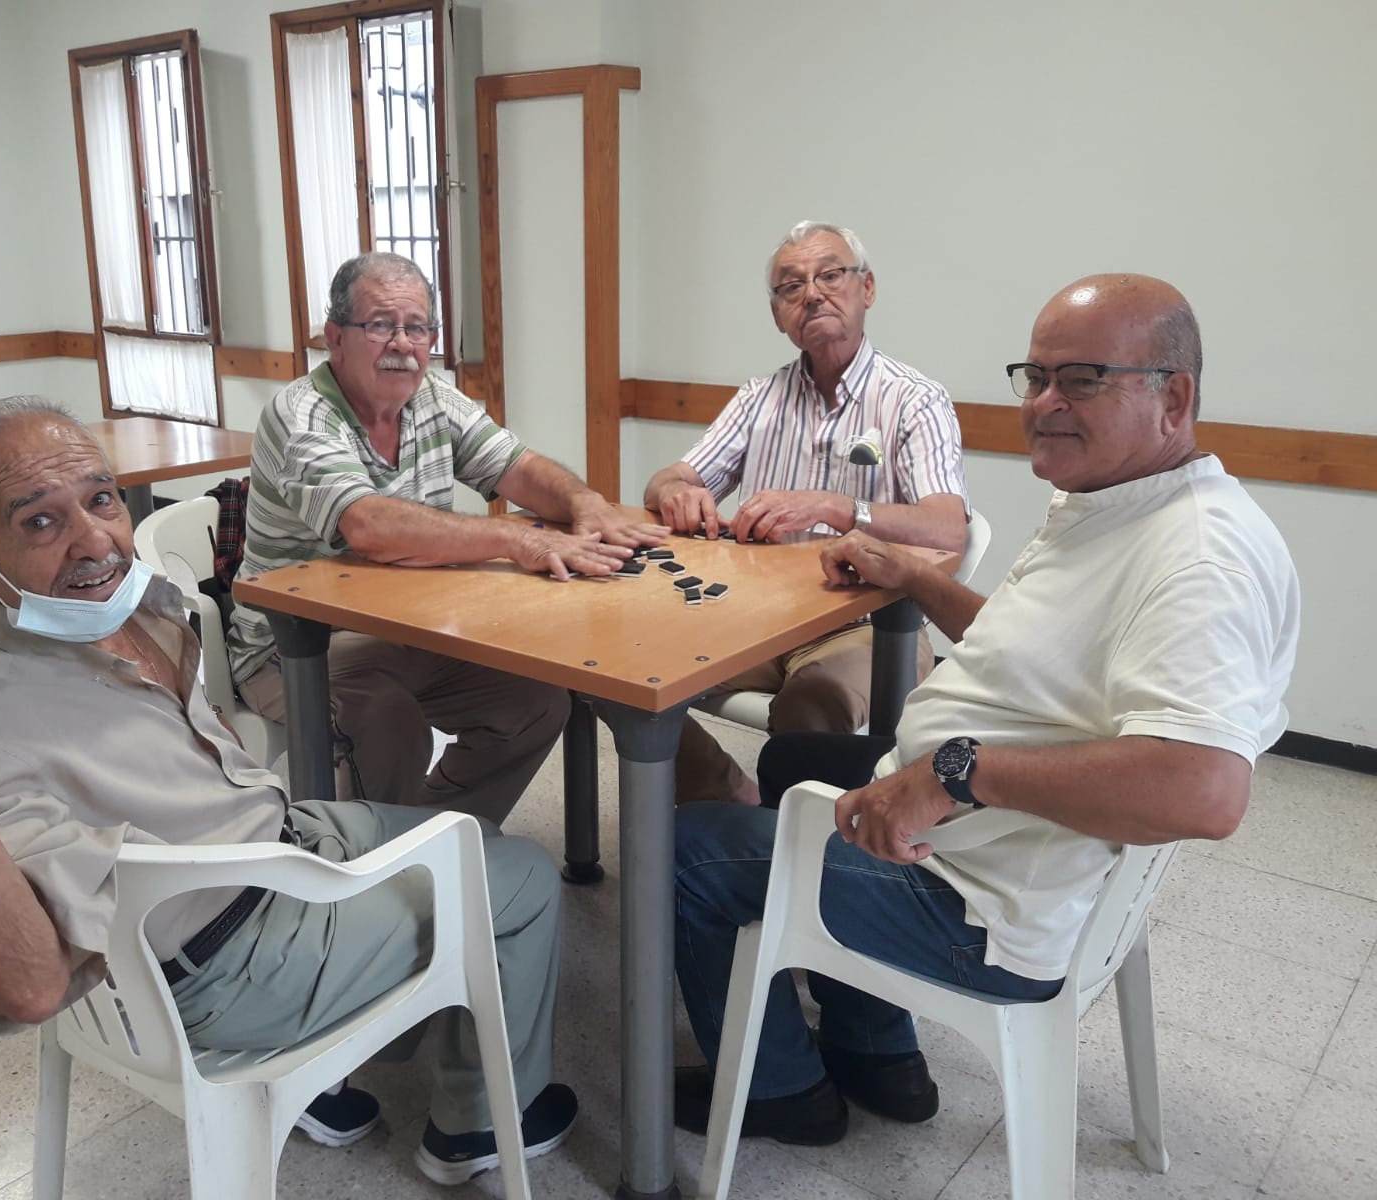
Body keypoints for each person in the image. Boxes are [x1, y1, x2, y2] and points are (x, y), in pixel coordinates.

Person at [0, 398, 577, 1186]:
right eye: (39, 522)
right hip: (227, 952)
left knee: (467, 833)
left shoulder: (127, 606)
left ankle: (360, 1046)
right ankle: (470, 1127)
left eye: (98, 500)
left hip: (275, 840)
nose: (95, 541)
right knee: (526, 877)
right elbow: (24, 989)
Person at [671, 275, 1300, 1145]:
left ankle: (780, 1094)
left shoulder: (1199, 561)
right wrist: (919, 578)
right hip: (1001, 846)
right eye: (1035, 376)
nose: (1044, 404)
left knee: (680, 851)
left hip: (976, 900)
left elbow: (1203, 792)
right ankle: (875, 1053)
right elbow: (1027, 651)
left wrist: (955, 774)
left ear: (1175, 397)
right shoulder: (1114, 502)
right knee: (793, 764)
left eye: (1082, 379)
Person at [229, 251, 666, 822]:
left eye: (417, 328)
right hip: (294, 646)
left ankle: (433, 840)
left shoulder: (432, 397)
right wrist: (515, 541)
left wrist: (585, 502)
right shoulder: (301, 414)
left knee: (536, 701)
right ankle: (380, 877)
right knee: (387, 723)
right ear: (335, 338)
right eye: (381, 325)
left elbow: (517, 466)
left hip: (405, 629)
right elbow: (368, 525)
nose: (403, 344)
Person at [643, 221, 968, 806]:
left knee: (808, 709)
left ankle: (793, 860)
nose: (811, 293)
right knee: (627, 676)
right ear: (778, 314)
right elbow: (672, 477)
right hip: (751, 614)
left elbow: (948, 530)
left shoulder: (915, 398)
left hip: (865, 623)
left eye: (830, 275)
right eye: (791, 286)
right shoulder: (757, 397)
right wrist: (674, 490)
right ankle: (731, 799)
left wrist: (838, 508)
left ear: (866, 289)